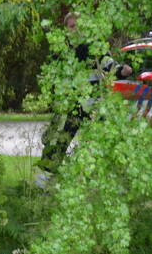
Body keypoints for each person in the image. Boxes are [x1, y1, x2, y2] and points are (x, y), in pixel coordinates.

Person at [40, 12, 130, 172]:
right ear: (67, 30)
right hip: (69, 107)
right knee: (56, 143)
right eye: (72, 26)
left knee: (101, 144)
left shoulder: (95, 48)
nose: (76, 30)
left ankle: (97, 183)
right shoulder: (61, 51)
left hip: (93, 106)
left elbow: (109, 65)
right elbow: (51, 77)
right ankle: (42, 183)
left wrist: (122, 70)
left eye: (79, 27)